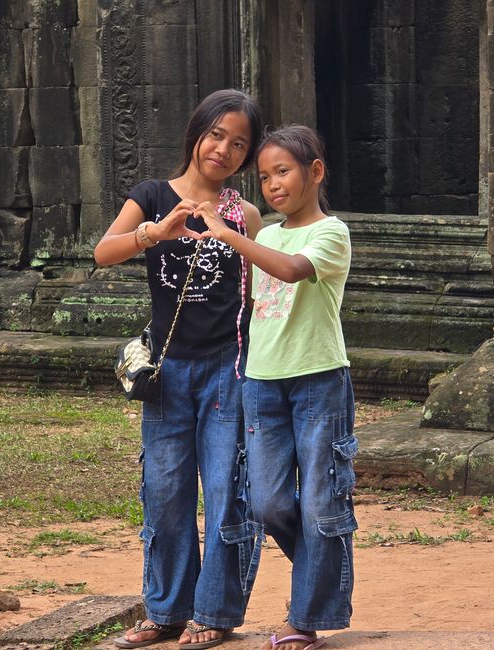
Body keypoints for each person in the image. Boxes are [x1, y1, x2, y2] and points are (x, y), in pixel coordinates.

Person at [94, 89, 264, 650]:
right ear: (196, 133)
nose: (223, 150)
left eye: (238, 144)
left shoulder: (245, 215)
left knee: (226, 490)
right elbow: (103, 251)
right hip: (167, 371)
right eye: (216, 135)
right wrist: (155, 231)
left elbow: (257, 293)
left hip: (227, 369)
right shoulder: (151, 196)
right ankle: (166, 612)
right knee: (165, 493)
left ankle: (215, 613)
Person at [195, 125, 356, 650]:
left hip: (318, 380)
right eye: (264, 177)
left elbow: (289, 272)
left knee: (320, 503)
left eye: (283, 172)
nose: (273, 185)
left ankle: (305, 618)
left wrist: (228, 233)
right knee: (266, 503)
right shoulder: (265, 236)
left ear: (316, 171)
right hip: (261, 382)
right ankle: (320, 572)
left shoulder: (331, 233)